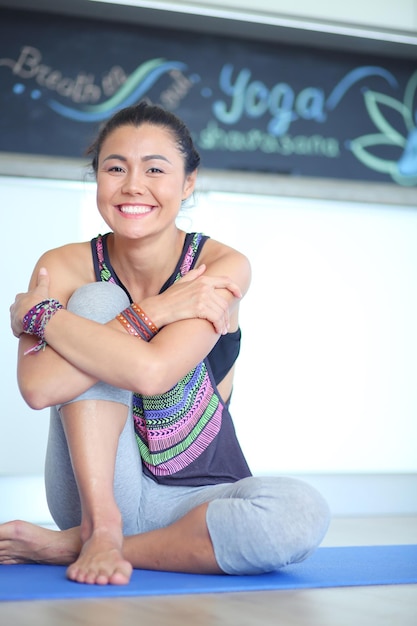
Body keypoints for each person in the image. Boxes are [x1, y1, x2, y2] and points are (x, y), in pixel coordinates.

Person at [1, 102, 330, 586]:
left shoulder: (219, 266)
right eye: (116, 168)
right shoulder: (64, 266)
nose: (133, 185)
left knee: (300, 511)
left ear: (188, 182)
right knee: (96, 300)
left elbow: (153, 374)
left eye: (155, 169)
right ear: (97, 178)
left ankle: (69, 545)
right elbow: (38, 388)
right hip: (93, 492)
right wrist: (153, 310)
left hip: (195, 498)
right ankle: (101, 525)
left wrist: (42, 317)